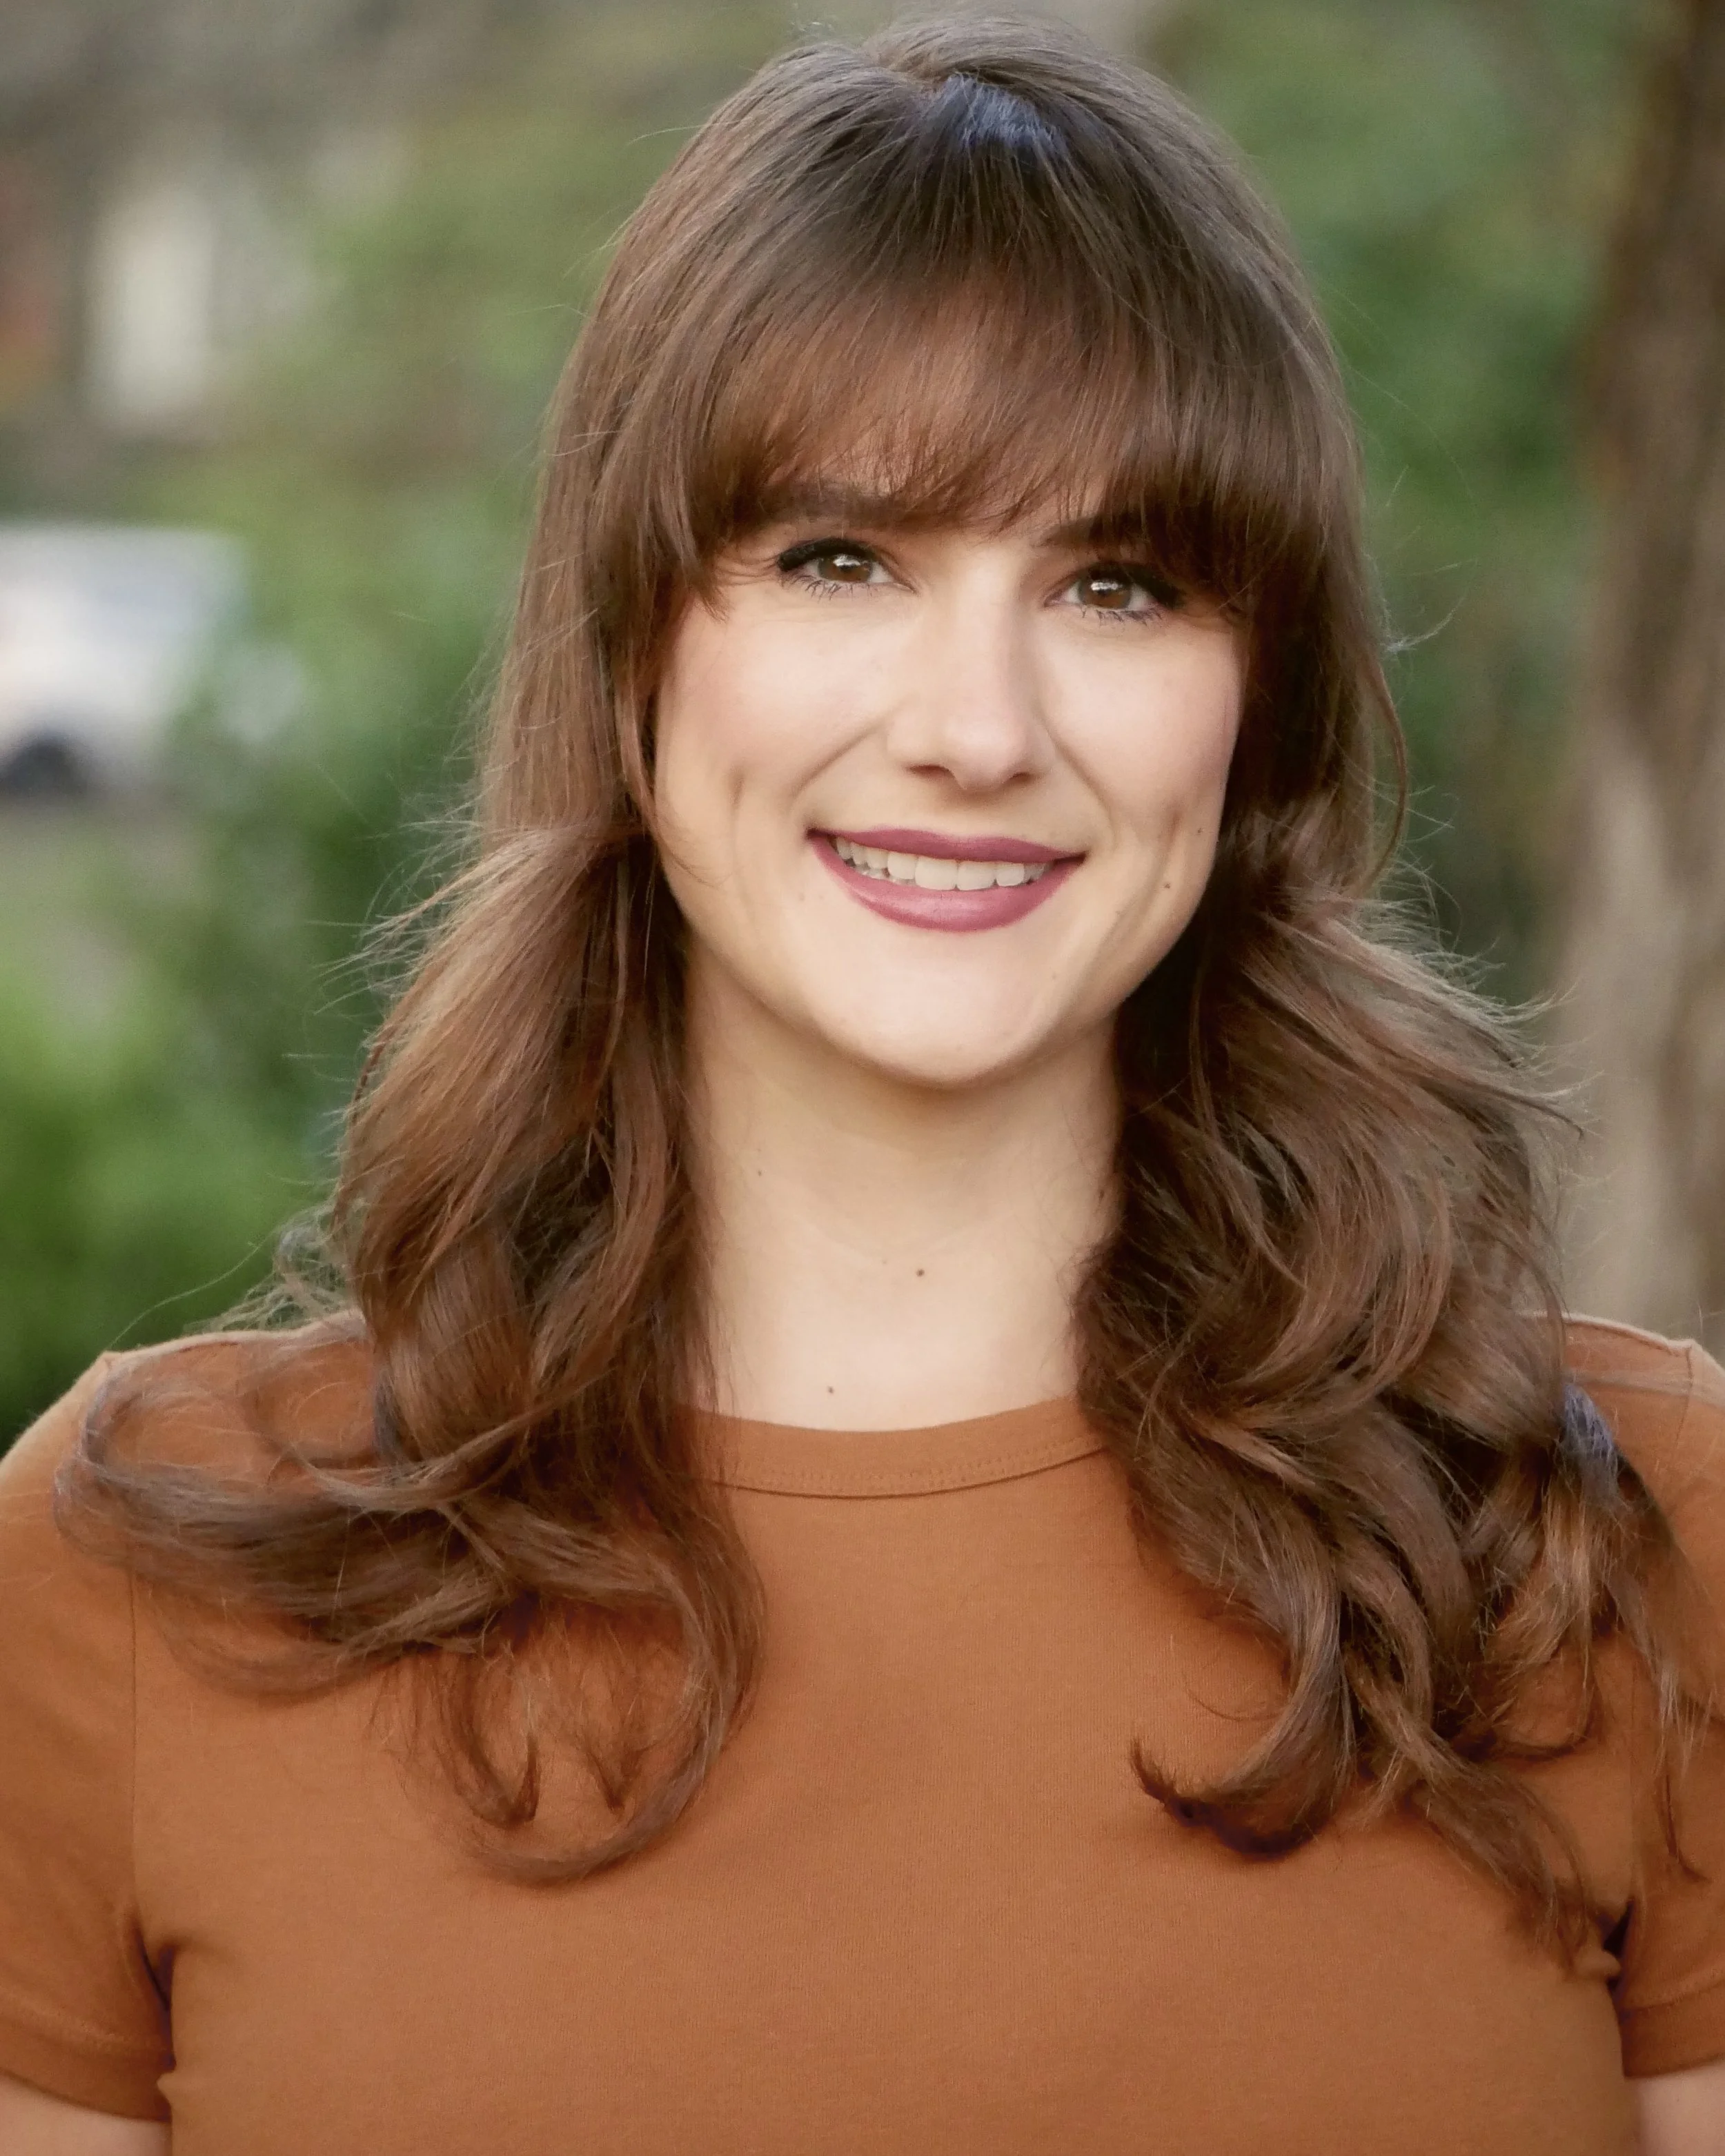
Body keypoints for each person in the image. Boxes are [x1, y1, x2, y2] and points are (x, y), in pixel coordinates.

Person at [1, 15, 1722, 2153]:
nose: (975, 724)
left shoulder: (1618, 1539)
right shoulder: (141, 1576)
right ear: (631, 649)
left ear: (1249, 701)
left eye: (1114, 583)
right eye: (841, 558)